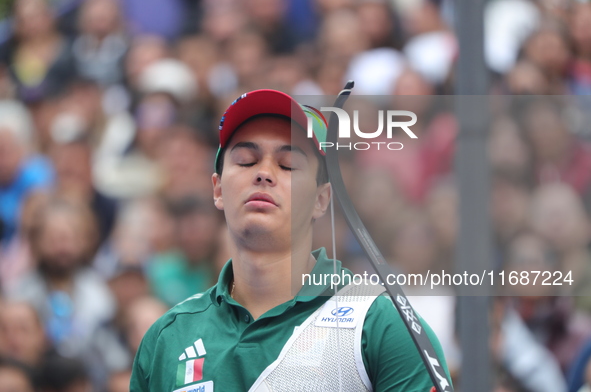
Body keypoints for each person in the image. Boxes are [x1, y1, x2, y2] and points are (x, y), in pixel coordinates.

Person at [130, 89, 449, 391]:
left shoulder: (381, 325)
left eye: (288, 165)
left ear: (321, 200)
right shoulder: (167, 338)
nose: (264, 173)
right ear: (217, 189)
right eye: (245, 161)